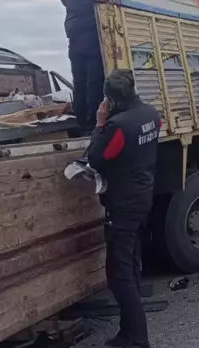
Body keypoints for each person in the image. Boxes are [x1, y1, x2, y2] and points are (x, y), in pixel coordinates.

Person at [87, 69, 161, 348]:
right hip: (143, 197)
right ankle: (128, 333)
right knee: (130, 266)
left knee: (118, 274)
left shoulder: (118, 125)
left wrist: (99, 124)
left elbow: (97, 158)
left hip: (124, 205)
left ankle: (137, 339)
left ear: (110, 99)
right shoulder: (152, 115)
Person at [60, 0, 110, 135]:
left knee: (79, 78)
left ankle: (81, 121)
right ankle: (92, 124)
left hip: (73, 29)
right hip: (92, 29)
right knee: (95, 79)